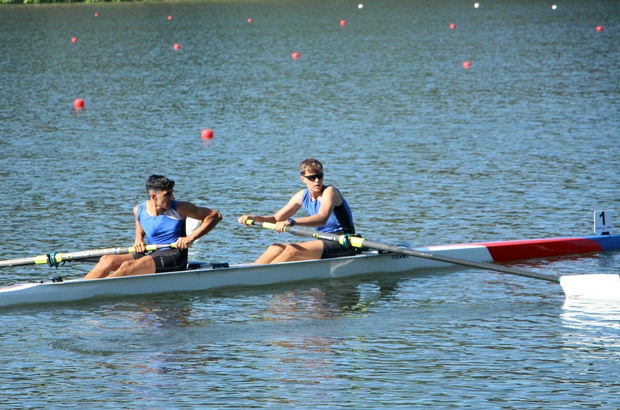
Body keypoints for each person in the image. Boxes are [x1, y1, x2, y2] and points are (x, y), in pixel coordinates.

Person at [84, 175, 222, 279]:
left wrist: (190, 238)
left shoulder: (180, 208)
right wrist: (138, 239)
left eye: (172, 193)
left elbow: (215, 216)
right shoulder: (139, 210)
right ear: (153, 196)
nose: (172, 197)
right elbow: (139, 222)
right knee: (107, 260)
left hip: (175, 256)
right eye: (167, 194)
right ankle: (79, 287)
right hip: (154, 253)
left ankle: (93, 290)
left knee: (127, 266)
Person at [238, 158, 356, 264]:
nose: (317, 181)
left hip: (343, 241)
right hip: (323, 239)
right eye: (312, 177)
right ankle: (248, 275)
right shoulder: (301, 196)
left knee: (292, 250)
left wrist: (292, 222)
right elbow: (276, 219)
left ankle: (260, 277)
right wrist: (254, 218)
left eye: (320, 176)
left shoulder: (330, 192)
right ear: (303, 179)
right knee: (275, 248)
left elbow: (322, 219)